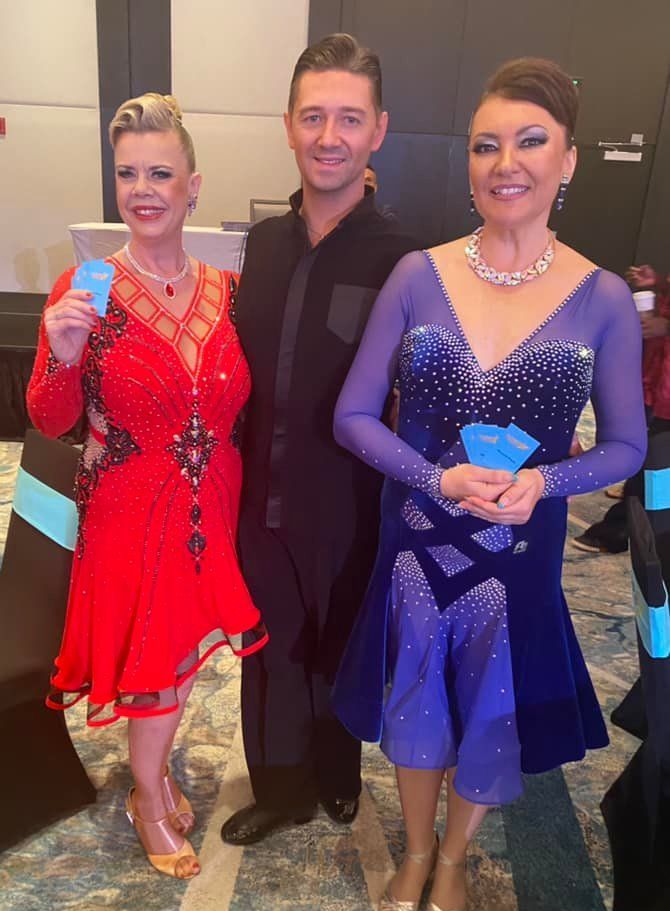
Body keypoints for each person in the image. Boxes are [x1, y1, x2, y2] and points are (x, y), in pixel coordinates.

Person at [331, 57, 647, 911]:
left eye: (529, 141)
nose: (505, 161)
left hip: (519, 555)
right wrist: (434, 478)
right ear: (468, 163)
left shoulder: (604, 299)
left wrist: (547, 480)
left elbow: (627, 444)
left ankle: (460, 857)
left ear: (569, 160)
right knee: (418, 700)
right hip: (419, 543)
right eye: (485, 145)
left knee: (493, 706)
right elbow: (352, 417)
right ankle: (418, 849)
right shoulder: (415, 276)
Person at [27, 93, 267, 879]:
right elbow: (50, 416)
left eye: (160, 172)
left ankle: (153, 774)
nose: (143, 188)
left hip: (213, 504)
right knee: (154, 662)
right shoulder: (86, 286)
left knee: (187, 657)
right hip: (131, 508)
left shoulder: (229, 291)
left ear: (192, 186)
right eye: (128, 172)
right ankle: (148, 797)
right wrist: (61, 352)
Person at [220, 34, 415, 846]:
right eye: (313, 117)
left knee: (339, 646)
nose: (328, 135)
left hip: (352, 503)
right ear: (289, 127)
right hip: (257, 495)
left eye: (348, 118)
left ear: (377, 131)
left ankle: (336, 775)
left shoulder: (404, 258)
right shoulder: (259, 246)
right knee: (269, 652)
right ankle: (279, 788)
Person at [573, 263, 670, 553]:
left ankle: (618, 530)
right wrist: (659, 283)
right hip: (659, 374)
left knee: (655, 460)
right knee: (651, 452)